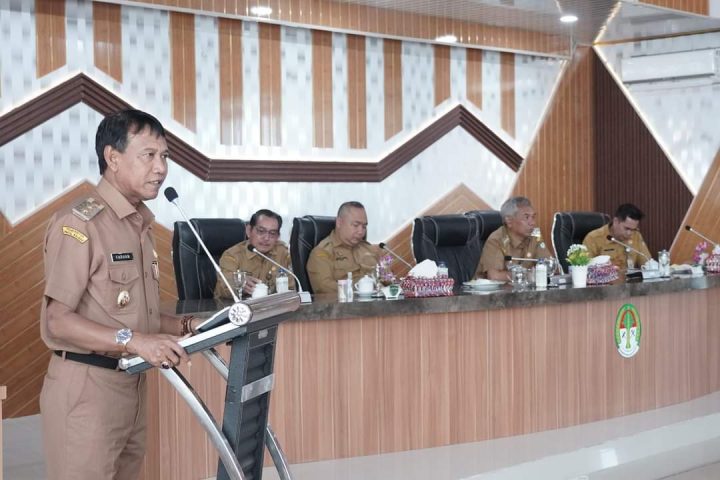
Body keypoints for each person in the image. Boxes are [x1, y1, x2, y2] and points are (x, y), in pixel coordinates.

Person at [39, 109, 200, 480]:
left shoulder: (138, 225)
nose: (161, 168)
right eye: (149, 156)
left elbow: (136, 316)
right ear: (112, 158)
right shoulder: (80, 223)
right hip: (87, 389)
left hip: (132, 384)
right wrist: (135, 341)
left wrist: (190, 325)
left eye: (165, 157)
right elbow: (57, 321)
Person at [214, 209, 294, 298]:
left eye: (272, 233)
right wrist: (239, 285)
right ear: (249, 230)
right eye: (261, 231)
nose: (266, 238)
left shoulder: (284, 253)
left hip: (274, 305)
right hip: (238, 305)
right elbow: (222, 289)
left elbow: (294, 286)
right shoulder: (232, 256)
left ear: (278, 236)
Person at [307, 201, 380, 294]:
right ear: (339, 223)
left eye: (364, 226)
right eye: (356, 225)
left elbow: (386, 279)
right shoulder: (323, 253)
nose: (361, 231)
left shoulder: (369, 249)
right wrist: (361, 289)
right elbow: (324, 288)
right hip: (344, 302)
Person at [474, 196, 550, 281]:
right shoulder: (496, 240)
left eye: (533, 217)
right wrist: (527, 275)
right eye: (526, 217)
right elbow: (494, 276)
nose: (533, 223)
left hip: (521, 288)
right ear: (509, 221)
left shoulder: (534, 236)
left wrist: (538, 273)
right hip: (492, 289)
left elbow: (550, 266)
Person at [583, 203, 651, 270]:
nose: (629, 233)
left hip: (629, 277)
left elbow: (647, 264)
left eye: (633, 229)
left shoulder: (636, 235)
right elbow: (584, 268)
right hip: (605, 277)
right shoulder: (593, 238)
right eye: (627, 228)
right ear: (616, 221)